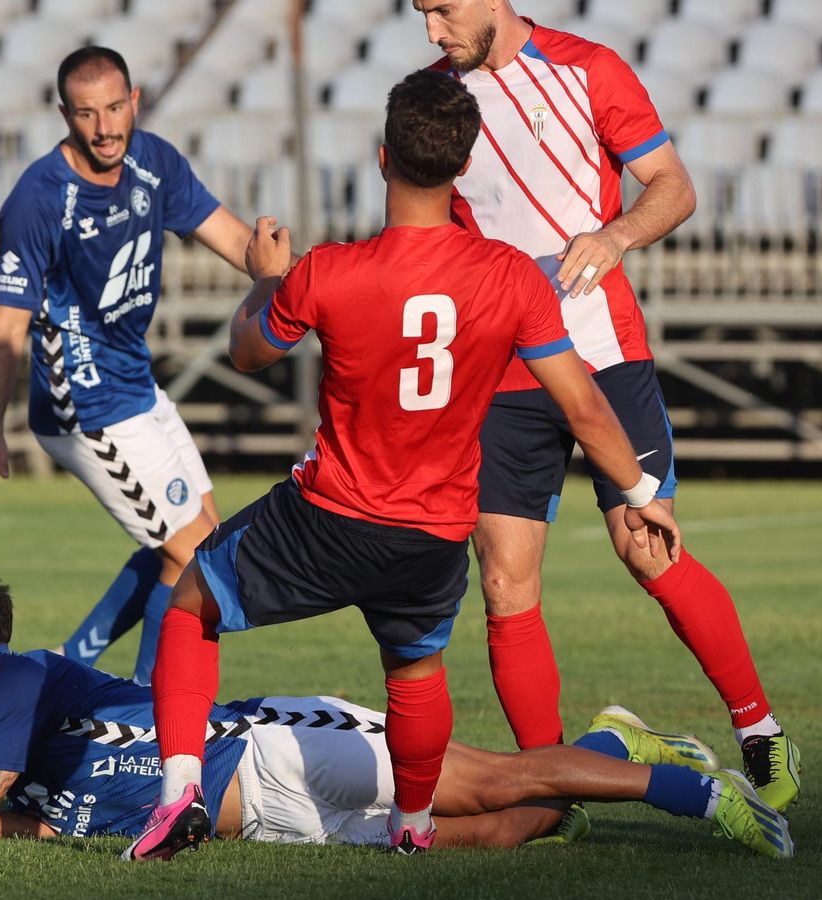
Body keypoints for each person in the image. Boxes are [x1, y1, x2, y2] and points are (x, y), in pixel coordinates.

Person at [126, 69, 684, 860]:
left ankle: (179, 793)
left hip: (328, 518)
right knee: (415, 673)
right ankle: (414, 829)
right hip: (433, 532)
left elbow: (247, 352)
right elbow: (587, 409)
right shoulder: (511, 277)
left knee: (190, 602)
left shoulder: (330, 271)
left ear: (382, 157)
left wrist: (266, 278)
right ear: (464, 166)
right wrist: (638, 490)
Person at [411, 0, 799, 810]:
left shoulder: (589, 70)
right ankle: (548, 789)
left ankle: (760, 732)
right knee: (506, 585)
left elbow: (674, 187)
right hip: (503, 369)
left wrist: (616, 235)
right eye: (421, 13)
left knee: (644, 546)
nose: (432, 29)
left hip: (603, 350)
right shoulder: (436, 101)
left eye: (442, 9)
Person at [0, 566, 790, 860]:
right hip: (283, 819)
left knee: (506, 778)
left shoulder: (14, 683)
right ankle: (615, 744)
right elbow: (11, 825)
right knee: (510, 829)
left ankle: (703, 793)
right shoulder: (6, 735)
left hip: (277, 750)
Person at [0, 46, 255, 684]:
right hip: (85, 405)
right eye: (88, 114)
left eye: (116, 108)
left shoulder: (154, 162)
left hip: (135, 382)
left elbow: (235, 240)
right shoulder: (38, 199)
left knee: (202, 539)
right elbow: (6, 323)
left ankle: (69, 667)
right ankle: (152, 718)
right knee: (195, 557)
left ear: (136, 100)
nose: (106, 127)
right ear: (65, 114)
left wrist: (304, 281)